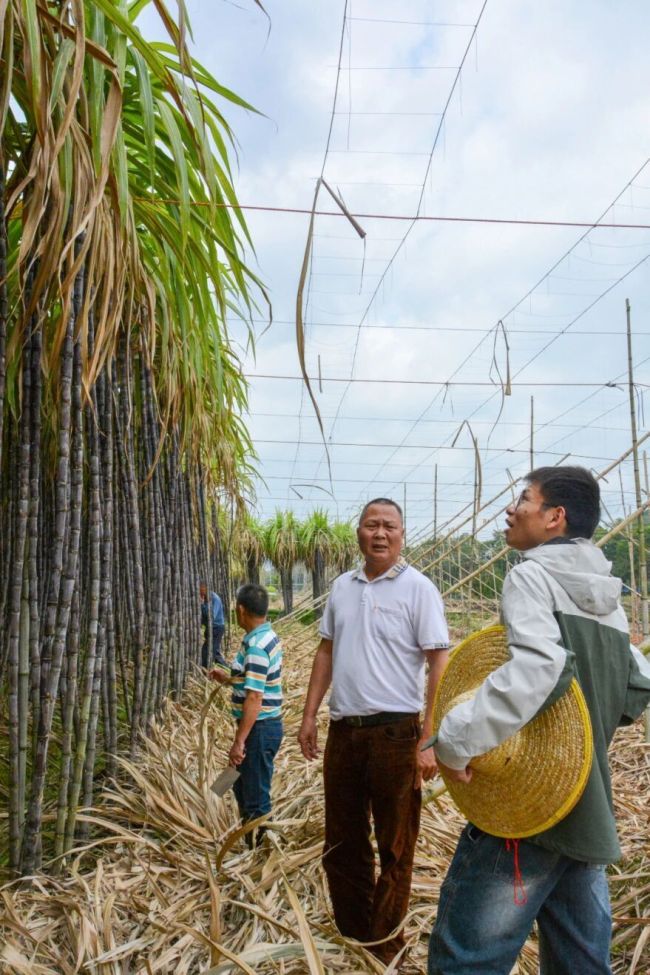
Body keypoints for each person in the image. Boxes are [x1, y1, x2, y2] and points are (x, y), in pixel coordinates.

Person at [426, 466, 650, 975]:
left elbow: (539, 670)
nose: (511, 509)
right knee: (581, 962)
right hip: (585, 807)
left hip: (525, 814)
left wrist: (456, 740)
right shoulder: (609, 601)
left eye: (523, 499)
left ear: (555, 517)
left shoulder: (531, 575)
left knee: (467, 960)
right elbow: (636, 687)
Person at [297, 498, 449, 966]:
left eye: (389, 527)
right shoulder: (342, 587)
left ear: (402, 535)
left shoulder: (419, 589)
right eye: (371, 525)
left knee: (396, 844)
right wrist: (309, 714)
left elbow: (438, 659)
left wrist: (430, 735)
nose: (379, 534)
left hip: (396, 735)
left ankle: (386, 944)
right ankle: (354, 931)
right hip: (345, 732)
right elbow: (326, 651)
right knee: (342, 841)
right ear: (357, 532)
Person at [210, 583, 283, 846]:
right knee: (238, 784)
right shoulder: (265, 636)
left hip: (259, 729)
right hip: (260, 727)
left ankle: (261, 852)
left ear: (241, 610)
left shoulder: (256, 647)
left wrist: (240, 741)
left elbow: (255, 696)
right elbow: (253, 681)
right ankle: (246, 839)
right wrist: (228, 679)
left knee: (255, 796)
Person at [200, 583, 226, 668]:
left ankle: (205, 671)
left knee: (206, 651)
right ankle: (228, 669)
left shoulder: (214, 598)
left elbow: (211, 616)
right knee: (216, 653)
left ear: (205, 588)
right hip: (211, 628)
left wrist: (202, 605)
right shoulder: (206, 598)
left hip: (216, 628)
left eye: (201, 590)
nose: (200, 592)